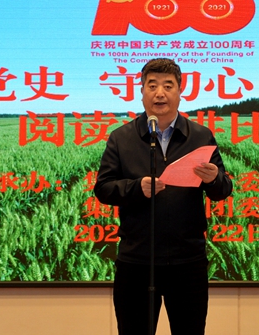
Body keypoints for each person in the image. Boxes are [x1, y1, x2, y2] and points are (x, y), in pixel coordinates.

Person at [94, 58, 233, 335]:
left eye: (168, 86)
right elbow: (104, 188)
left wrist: (213, 178)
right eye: (152, 85)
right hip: (137, 262)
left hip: (188, 262)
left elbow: (223, 190)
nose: (160, 93)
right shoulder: (121, 138)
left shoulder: (200, 136)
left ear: (180, 92)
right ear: (142, 92)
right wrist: (137, 188)